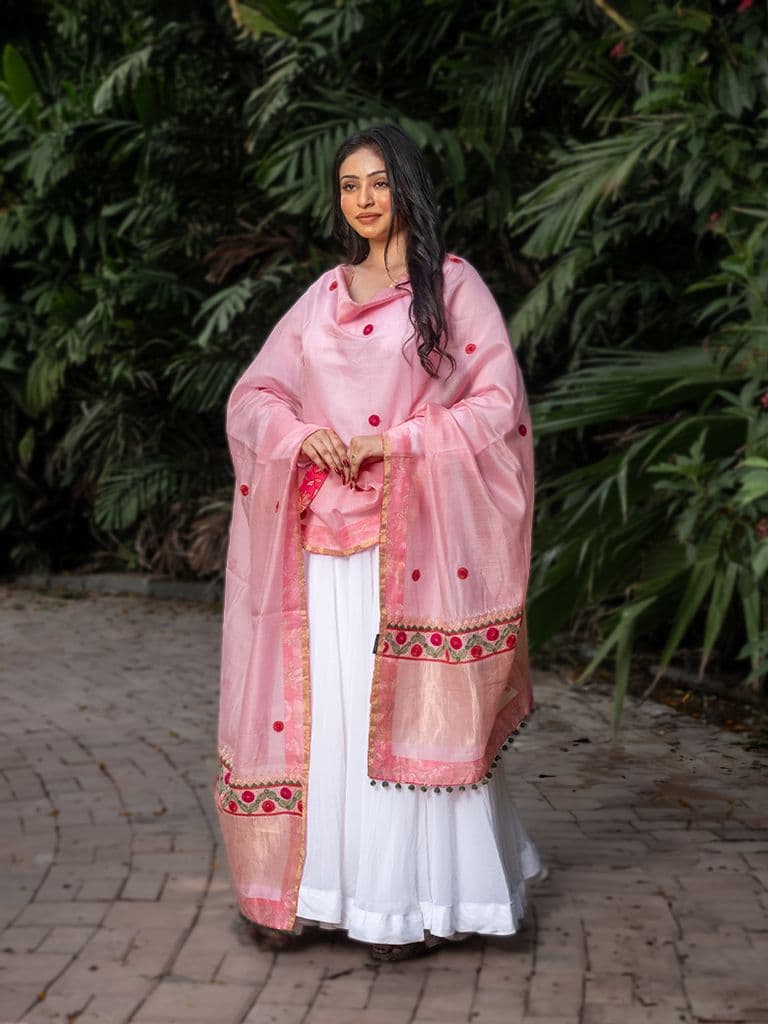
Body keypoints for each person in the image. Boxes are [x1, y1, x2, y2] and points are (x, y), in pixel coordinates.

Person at [215, 123, 545, 962]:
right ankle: (324, 893)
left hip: (417, 546)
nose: (363, 201)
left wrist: (392, 444)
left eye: (378, 183)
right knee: (330, 715)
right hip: (326, 544)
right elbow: (253, 394)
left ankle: (415, 904)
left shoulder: (450, 286)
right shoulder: (323, 296)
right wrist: (295, 435)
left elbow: (496, 405)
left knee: (406, 715)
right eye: (348, 186)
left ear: (408, 188)